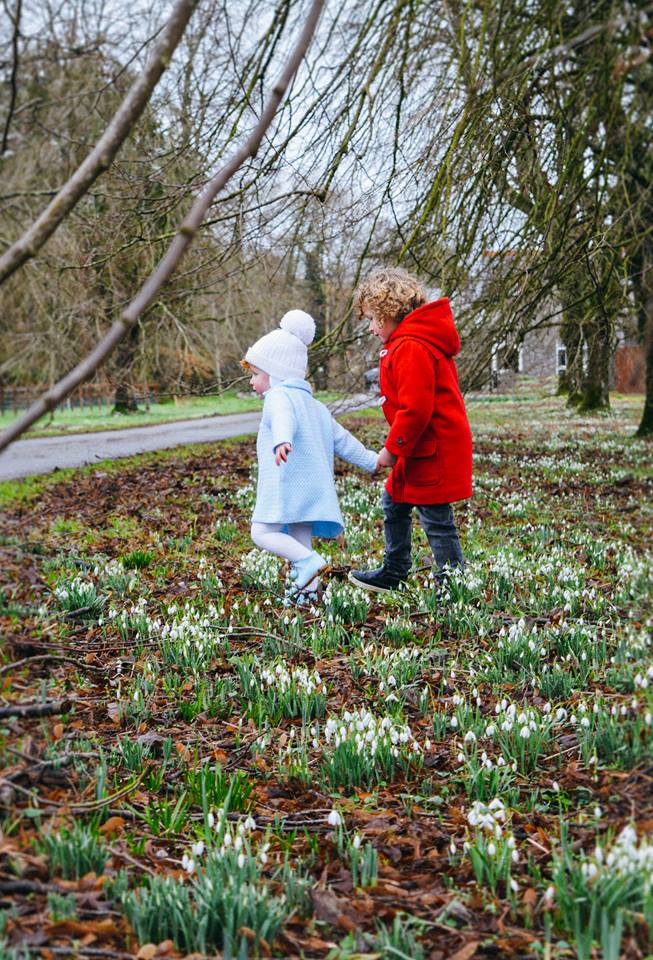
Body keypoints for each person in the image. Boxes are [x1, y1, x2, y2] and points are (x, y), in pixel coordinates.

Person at [348, 267, 472, 593]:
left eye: (373, 319)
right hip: (418, 448)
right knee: (394, 502)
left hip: (432, 448)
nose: (371, 328)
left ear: (389, 312)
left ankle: (452, 587)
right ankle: (395, 571)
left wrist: (392, 449)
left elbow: (416, 409)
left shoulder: (411, 346)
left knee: (436, 517)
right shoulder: (407, 342)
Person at [243, 309, 378, 602]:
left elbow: (283, 417)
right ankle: (306, 594)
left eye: (255, 374)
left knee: (261, 533)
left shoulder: (278, 396)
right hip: (310, 490)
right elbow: (342, 439)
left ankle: (309, 562)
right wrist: (372, 460)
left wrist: (282, 439)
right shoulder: (316, 406)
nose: (252, 382)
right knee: (299, 538)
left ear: (275, 373)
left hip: (286, 483)